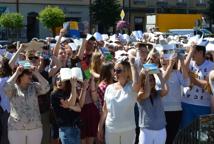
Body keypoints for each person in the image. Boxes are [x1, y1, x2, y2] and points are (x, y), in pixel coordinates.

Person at [97, 56, 139, 144]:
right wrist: (100, 126)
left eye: (118, 70)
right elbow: (105, 110)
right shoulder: (109, 88)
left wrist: (132, 64)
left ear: (127, 72)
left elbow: (137, 83)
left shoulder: (132, 87)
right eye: (114, 70)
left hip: (128, 129)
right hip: (111, 129)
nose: (115, 73)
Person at [4, 65, 50, 144]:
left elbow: (46, 87)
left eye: (31, 73)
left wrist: (37, 73)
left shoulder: (34, 86)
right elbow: (6, 88)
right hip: (16, 128)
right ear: (21, 76)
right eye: (28, 73)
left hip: (35, 128)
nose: (30, 75)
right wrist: (17, 73)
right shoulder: (13, 88)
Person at [181, 41, 214, 128]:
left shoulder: (211, 66)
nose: (191, 55)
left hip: (204, 105)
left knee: (202, 135)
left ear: (201, 52)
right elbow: (183, 69)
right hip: (186, 103)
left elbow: (208, 86)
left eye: (194, 52)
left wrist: (192, 79)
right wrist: (191, 52)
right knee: (185, 133)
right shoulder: (190, 62)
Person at [160, 55, 189, 144]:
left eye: (166, 58)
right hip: (161, 110)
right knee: (162, 138)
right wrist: (170, 66)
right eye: (161, 58)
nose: (163, 60)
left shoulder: (177, 73)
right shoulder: (156, 71)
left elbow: (186, 83)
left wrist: (182, 61)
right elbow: (161, 82)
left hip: (176, 110)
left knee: (171, 138)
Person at [51, 73, 88, 144]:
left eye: (62, 79)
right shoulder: (54, 94)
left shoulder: (69, 92)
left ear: (66, 81)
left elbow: (79, 107)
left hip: (76, 127)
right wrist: (73, 87)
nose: (59, 81)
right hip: (65, 129)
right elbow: (71, 103)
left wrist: (84, 89)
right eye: (57, 79)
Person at [137, 69, 168, 144]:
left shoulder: (157, 93)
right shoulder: (139, 94)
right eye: (149, 80)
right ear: (143, 82)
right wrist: (146, 75)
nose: (152, 82)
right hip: (146, 131)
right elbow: (147, 93)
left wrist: (159, 75)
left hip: (161, 129)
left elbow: (166, 90)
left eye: (153, 80)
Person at [0, 57, 12, 144]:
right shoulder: (12, 78)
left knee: (6, 134)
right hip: (6, 110)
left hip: (7, 110)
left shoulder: (4, 80)